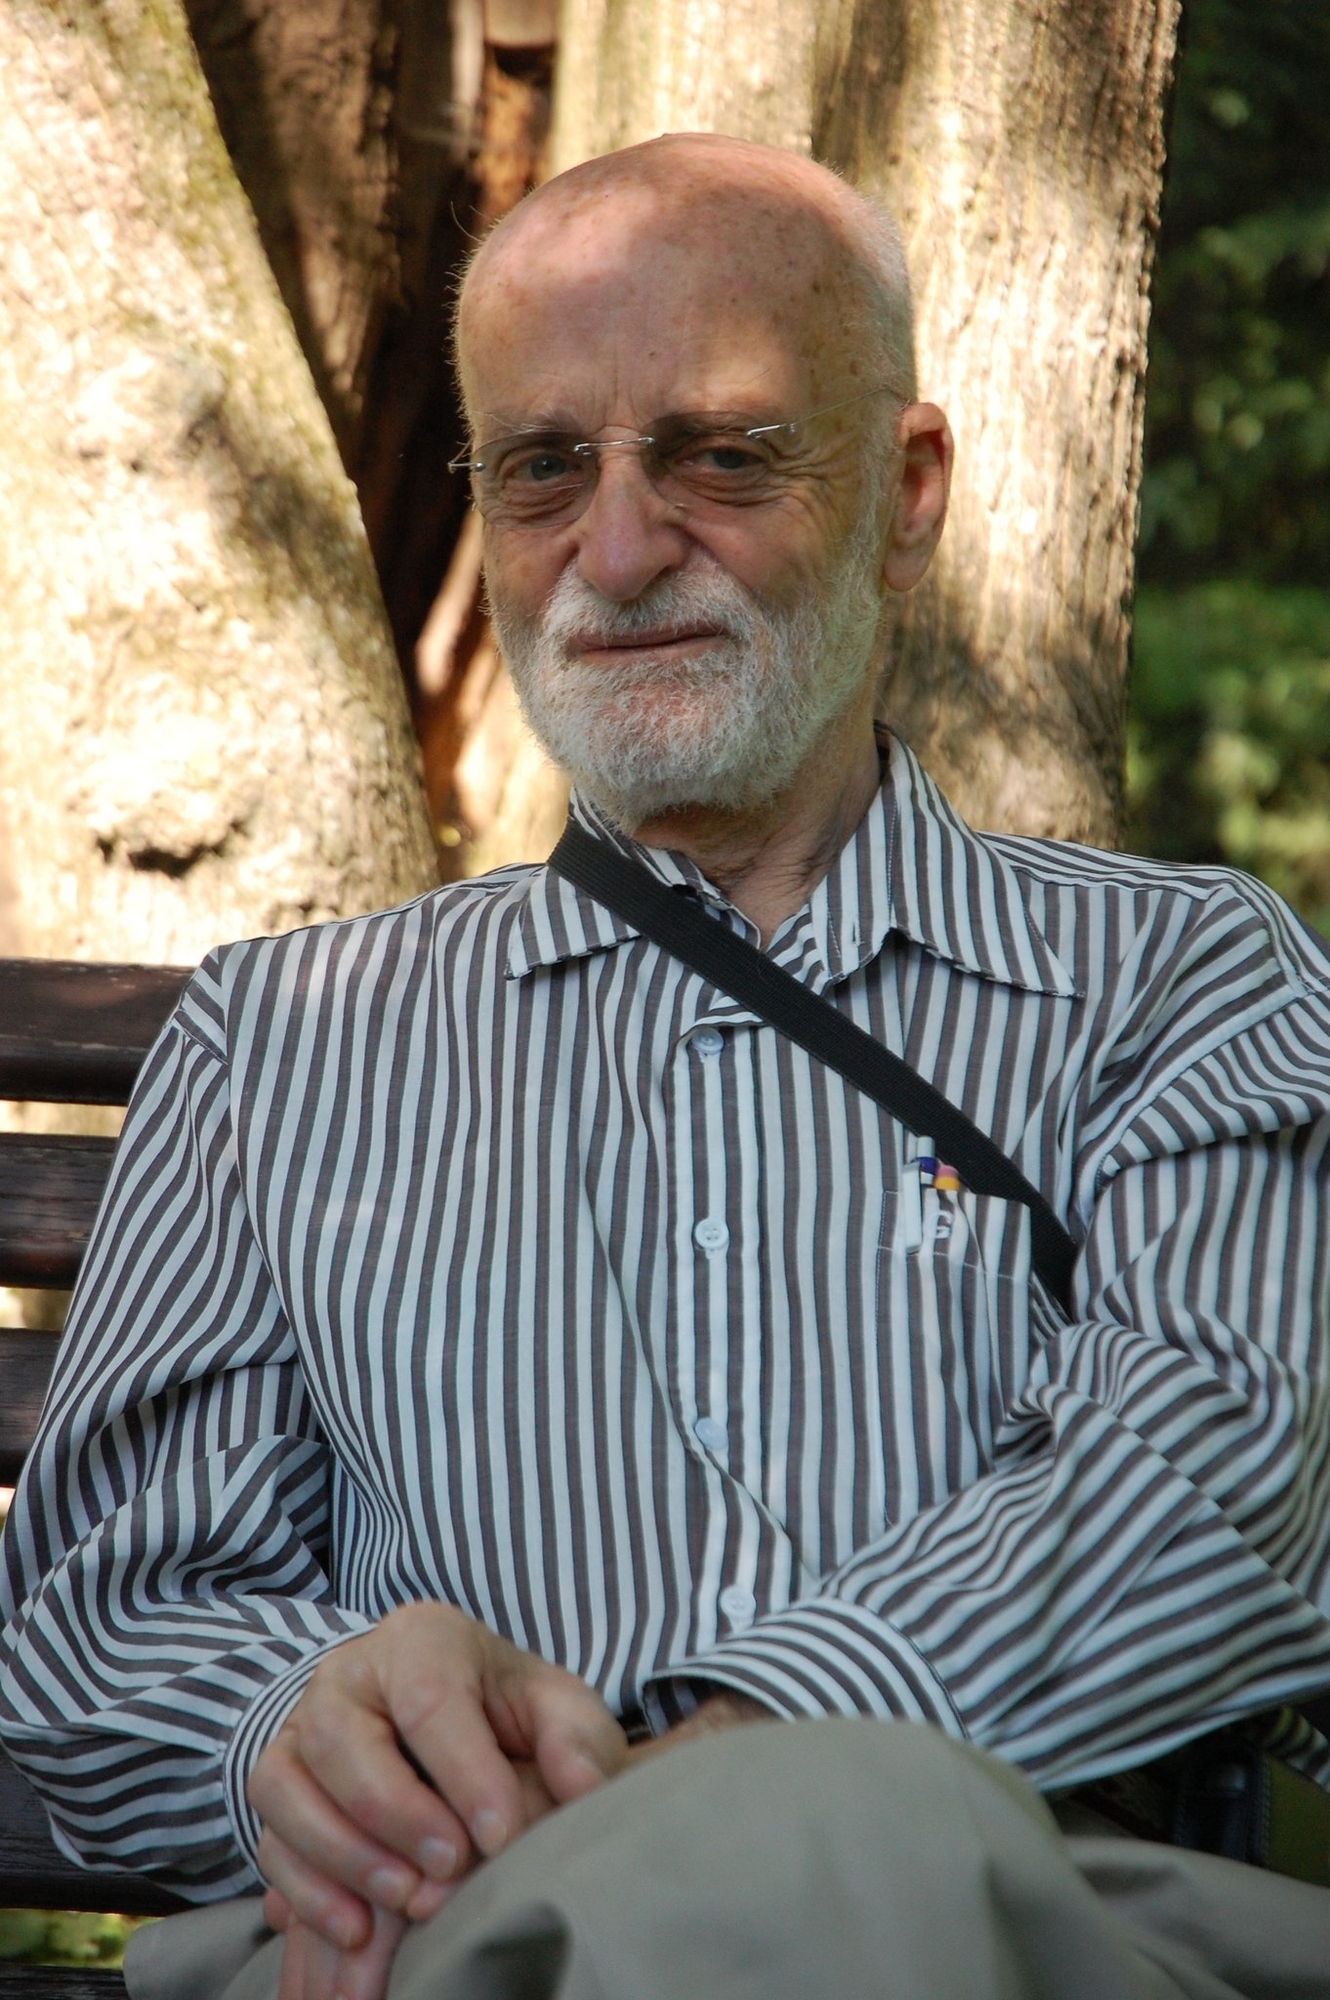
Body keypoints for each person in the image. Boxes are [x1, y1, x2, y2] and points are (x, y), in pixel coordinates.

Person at [4, 131, 1330, 2000]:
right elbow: (104, 1627)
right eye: (543, 467)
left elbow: (1210, 1488)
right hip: (439, 1925)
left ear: (906, 492)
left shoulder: (1180, 987)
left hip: (1023, 1920)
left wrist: (719, 1767)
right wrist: (314, 1727)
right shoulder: (280, 1045)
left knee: (831, 1859)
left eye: (721, 454)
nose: (617, 555)